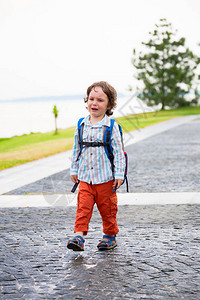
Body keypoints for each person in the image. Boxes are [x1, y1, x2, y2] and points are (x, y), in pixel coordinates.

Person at [67, 81, 125, 251]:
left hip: (106, 179)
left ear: (109, 105)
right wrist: (74, 169)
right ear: (87, 101)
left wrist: (119, 175)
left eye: (100, 100)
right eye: (91, 98)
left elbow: (119, 152)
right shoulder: (81, 124)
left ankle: (109, 236)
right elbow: (76, 148)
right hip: (85, 178)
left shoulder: (111, 126)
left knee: (108, 210)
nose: (94, 103)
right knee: (82, 208)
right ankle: (79, 236)